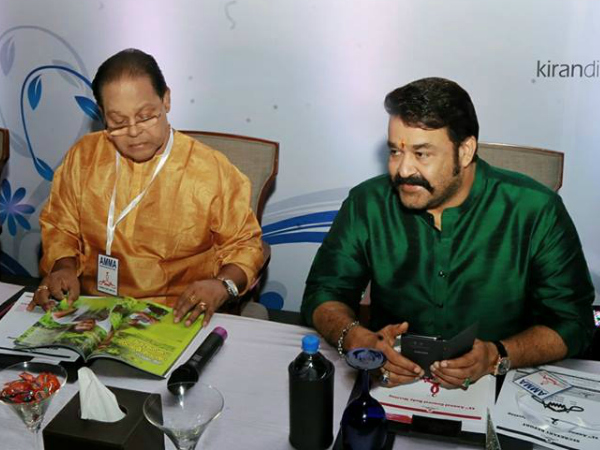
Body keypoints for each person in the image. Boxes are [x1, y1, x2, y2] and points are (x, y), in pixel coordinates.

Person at [301, 77, 595, 389]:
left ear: (465, 152)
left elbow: (574, 323)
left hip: (504, 383)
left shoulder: (536, 211)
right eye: (395, 152)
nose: (403, 170)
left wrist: (496, 355)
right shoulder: (368, 203)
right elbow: (323, 294)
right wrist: (355, 338)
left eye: (422, 154)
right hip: (390, 382)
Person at [28, 48, 264, 326]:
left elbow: (246, 245)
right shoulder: (84, 156)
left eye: (145, 116)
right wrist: (64, 268)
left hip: (176, 314)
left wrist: (222, 285)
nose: (133, 131)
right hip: (91, 308)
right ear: (103, 115)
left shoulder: (209, 170)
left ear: (166, 100)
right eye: (118, 122)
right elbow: (60, 226)